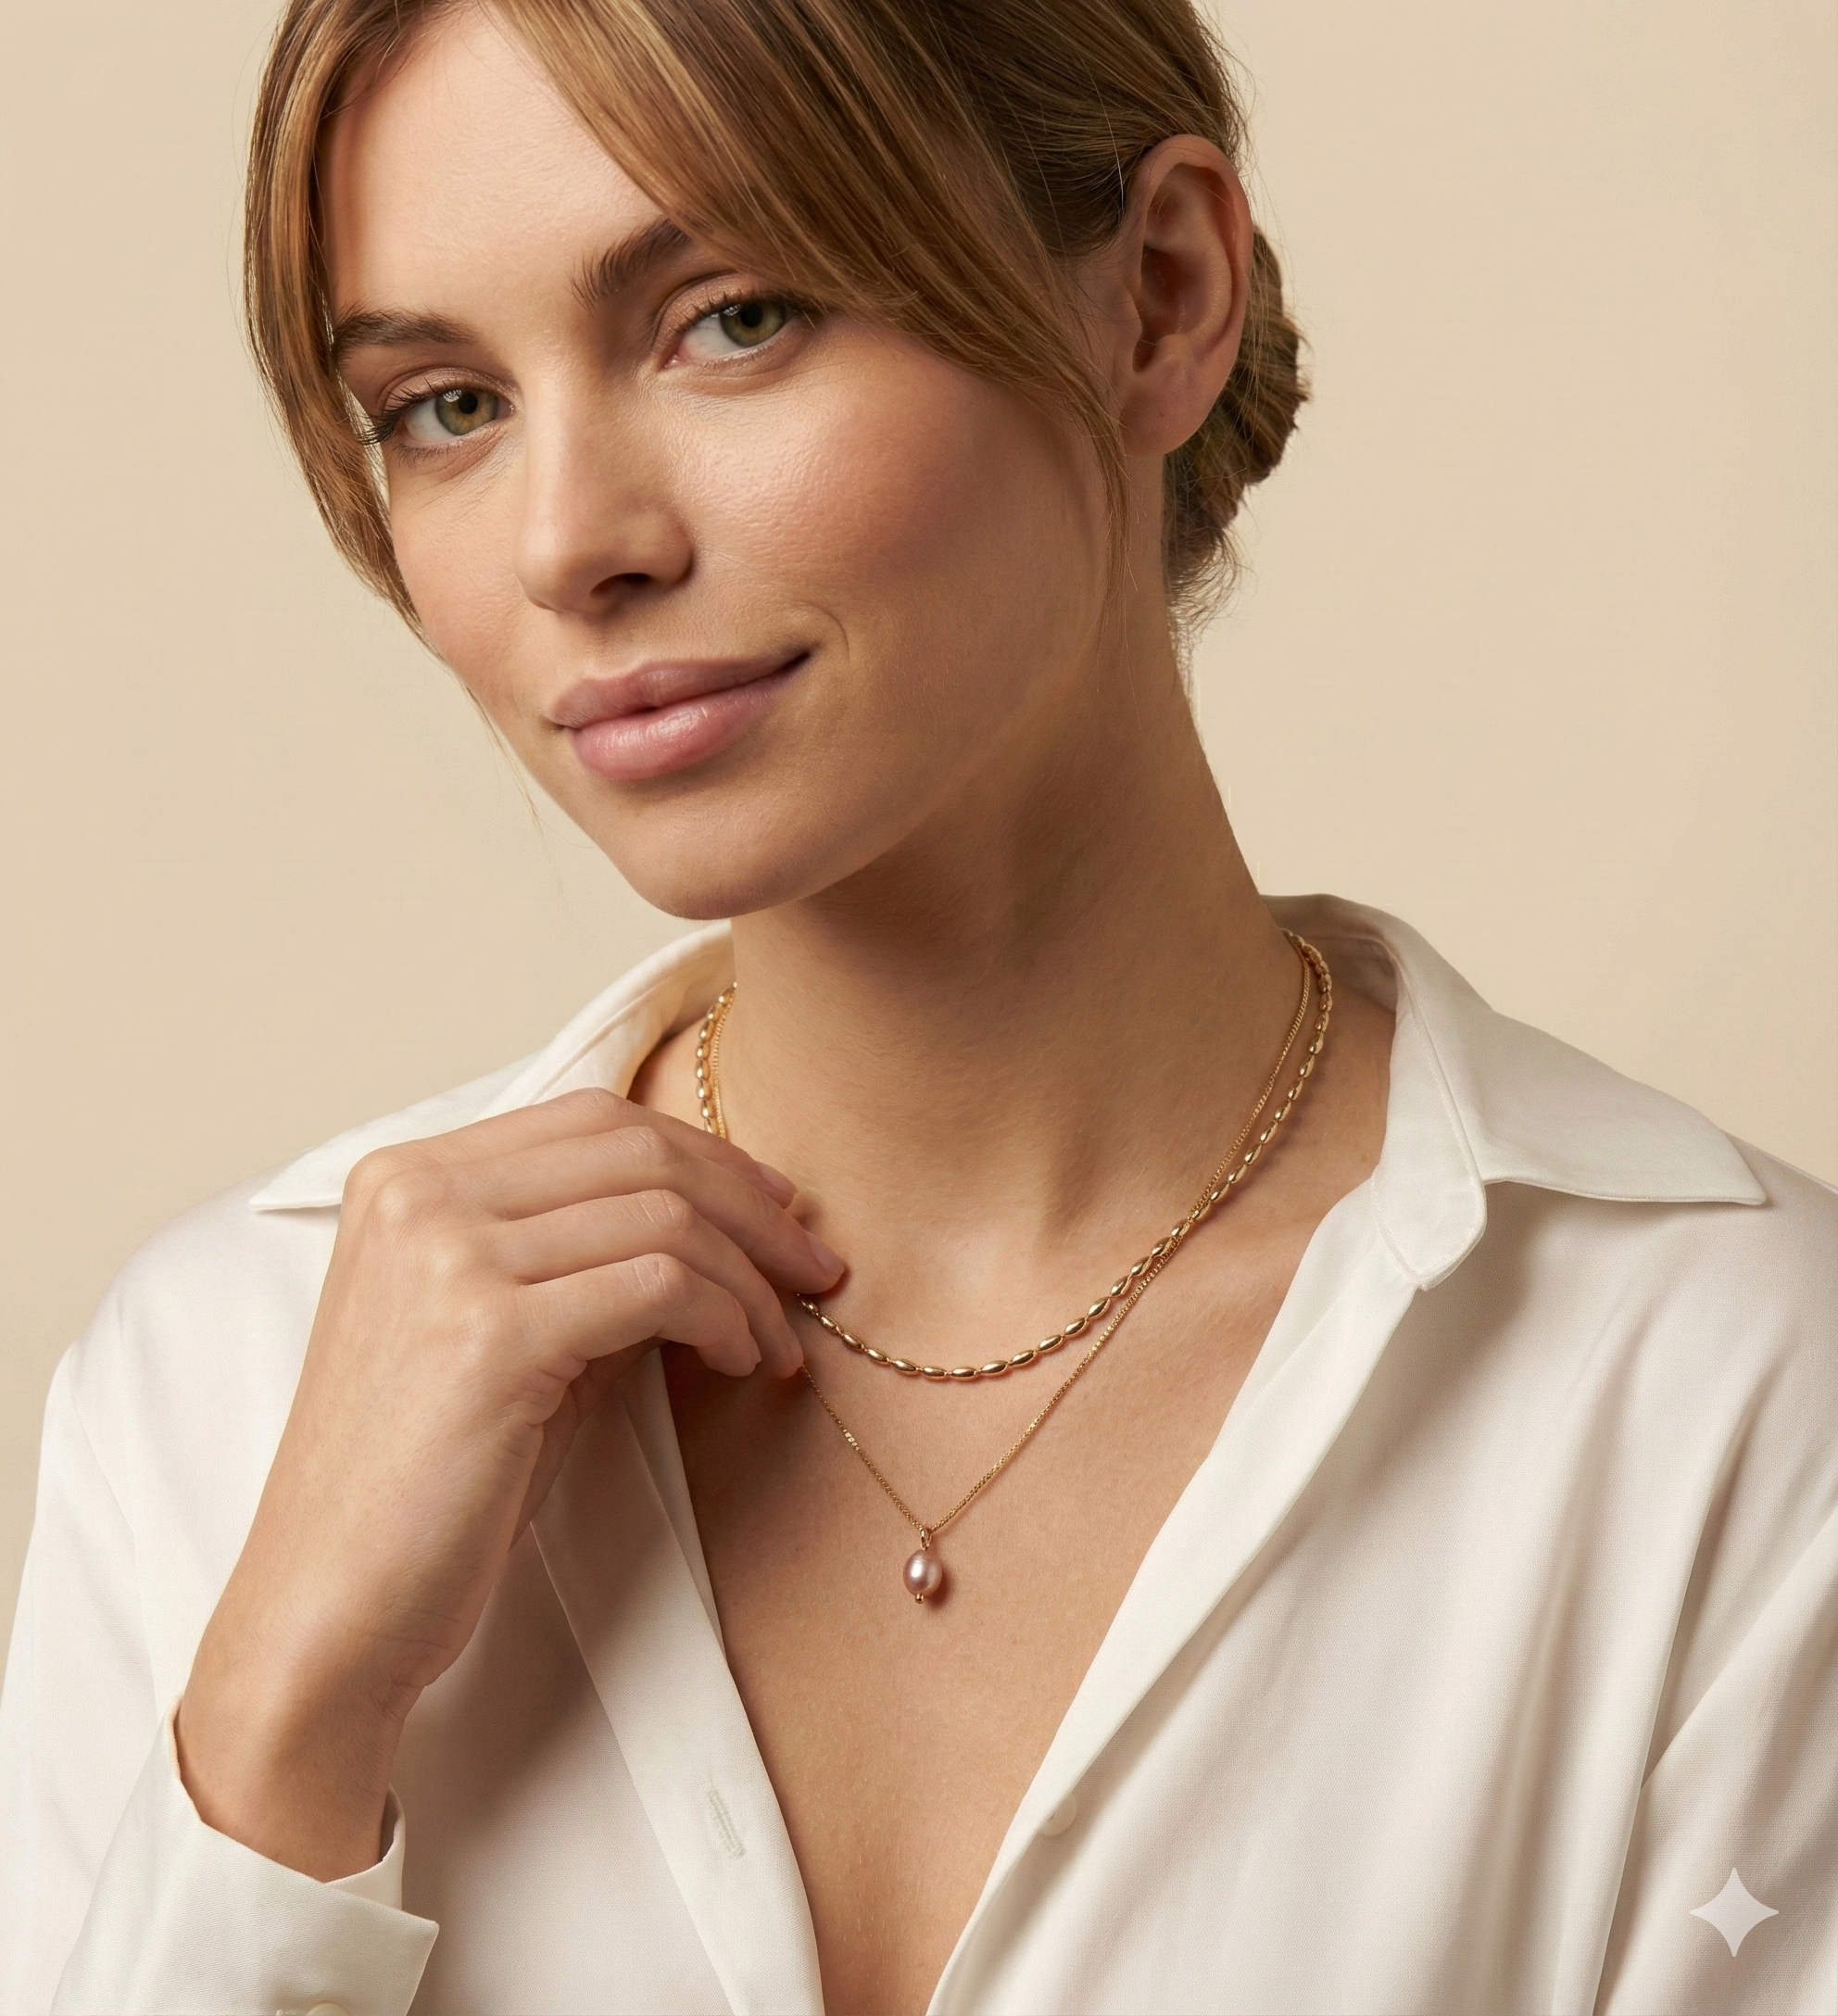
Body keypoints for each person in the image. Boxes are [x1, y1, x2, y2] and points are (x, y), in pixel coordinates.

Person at [3, 0, 1833, 2010]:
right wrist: (275, 1735)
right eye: (444, 404)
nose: (568, 545)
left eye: (730, 315)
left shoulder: (1726, 1399)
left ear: (1157, 295)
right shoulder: (220, 1398)